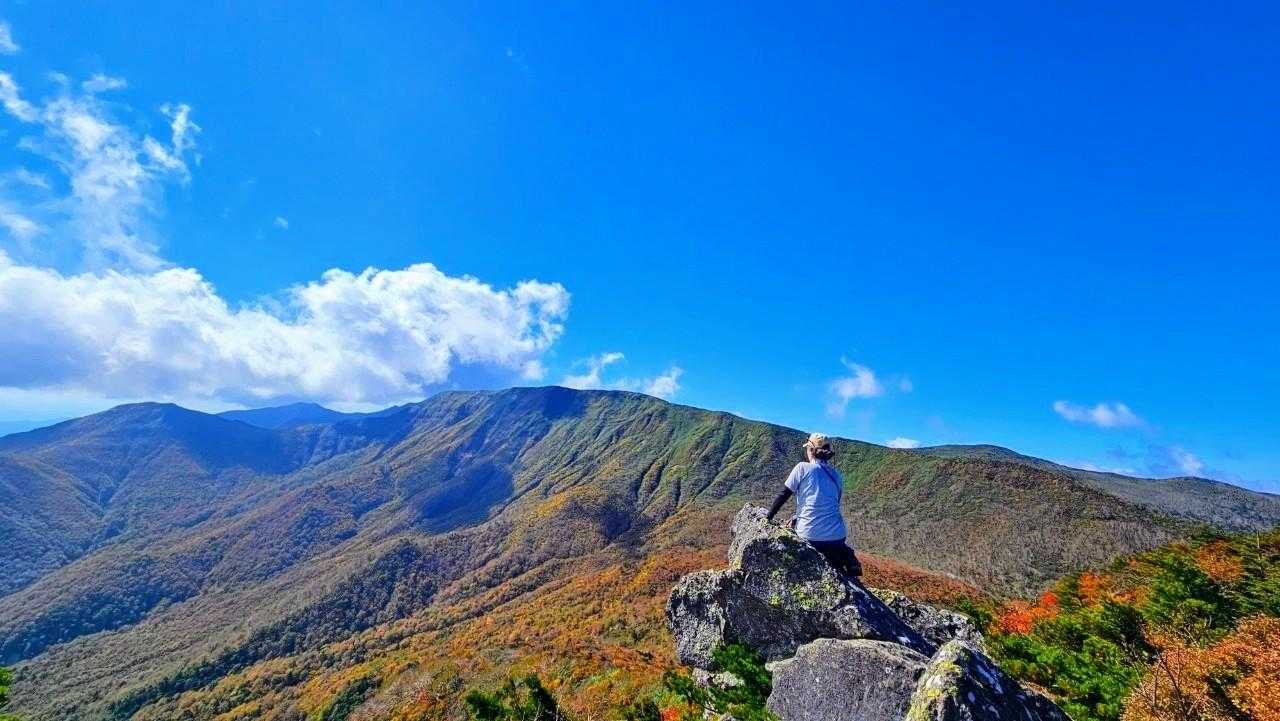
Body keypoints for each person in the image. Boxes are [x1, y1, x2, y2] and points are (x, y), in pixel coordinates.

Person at [765, 432, 863, 578]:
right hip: (837, 537)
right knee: (838, 549)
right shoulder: (837, 476)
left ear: (811, 450)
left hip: (810, 537)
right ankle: (846, 555)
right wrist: (797, 516)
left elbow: (783, 495)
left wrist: (767, 518)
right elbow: (829, 505)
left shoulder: (802, 468)